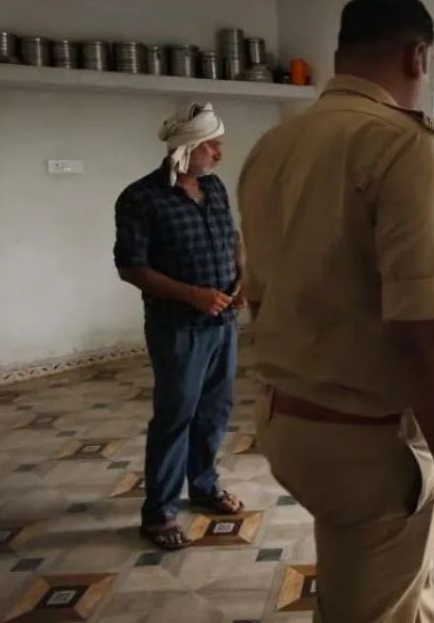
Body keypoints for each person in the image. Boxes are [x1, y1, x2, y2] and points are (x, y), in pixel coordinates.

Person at [238, 0, 434, 622]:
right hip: (358, 443)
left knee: (389, 585)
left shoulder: (273, 146)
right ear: (417, 56)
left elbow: (258, 294)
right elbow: (423, 330)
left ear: (341, 54)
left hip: (283, 420)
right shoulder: (403, 144)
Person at [113, 102, 246, 550]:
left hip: (223, 323)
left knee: (214, 411)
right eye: (212, 145)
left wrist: (242, 278)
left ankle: (204, 487)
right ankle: (159, 513)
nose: (219, 154)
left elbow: (232, 238)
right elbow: (131, 267)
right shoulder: (141, 198)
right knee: (175, 417)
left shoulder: (214, 188)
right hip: (178, 329)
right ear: (186, 148)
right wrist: (193, 295)